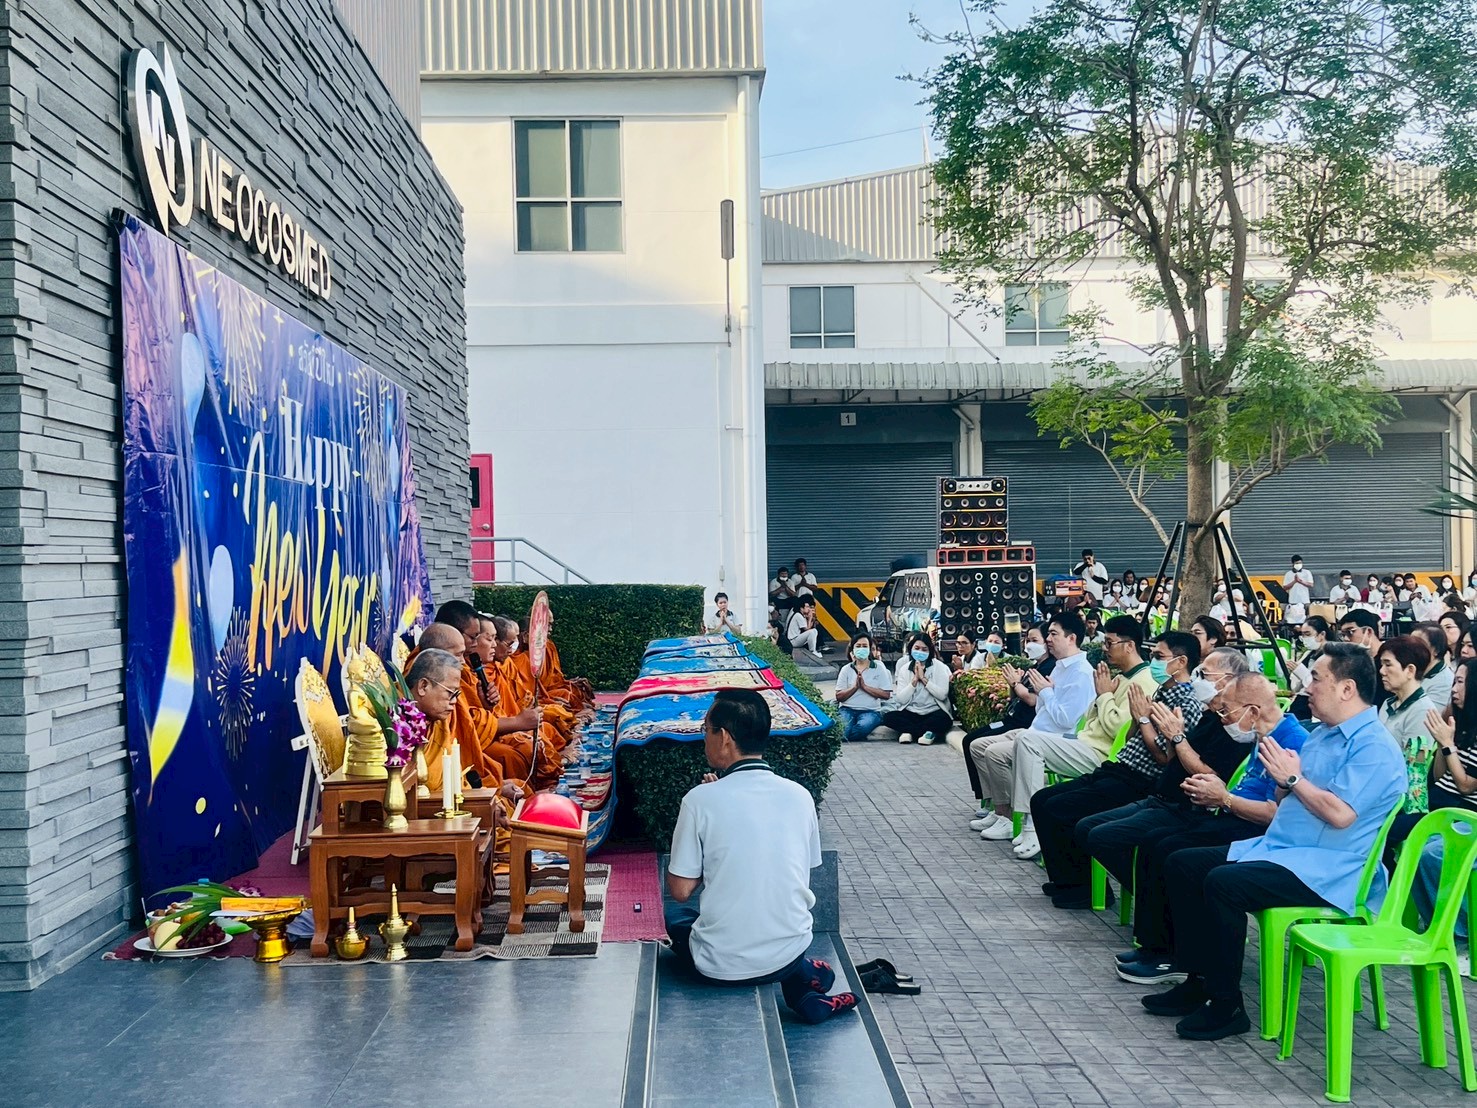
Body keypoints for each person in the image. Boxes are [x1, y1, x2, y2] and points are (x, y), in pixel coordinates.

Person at [1144, 644, 1405, 1040]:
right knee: (1184, 863)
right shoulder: (1322, 735)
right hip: (1284, 851)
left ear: (1346, 689)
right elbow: (1287, 800)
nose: (1307, 687)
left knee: (1223, 883)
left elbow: (1340, 815)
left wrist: (1293, 779)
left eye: (1316, 679)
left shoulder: (1374, 746)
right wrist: (1284, 782)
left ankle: (1226, 1005)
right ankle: (1199, 980)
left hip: (1329, 868)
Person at [665, 689, 858, 1024]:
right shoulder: (800, 796)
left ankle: (804, 982)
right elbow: (797, 868)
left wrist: (713, 852)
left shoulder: (699, 800)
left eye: (705, 729)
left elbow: (680, 890)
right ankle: (802, 985)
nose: (703, 737)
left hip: (720, 967)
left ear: (724, 737)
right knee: (773, 921)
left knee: (676, 917)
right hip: (790, 950)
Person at [1100, 670, 1304, 984]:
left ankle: (1180, 957)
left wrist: (1224, 798)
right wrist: (1217, 794)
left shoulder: (1292, 740)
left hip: (1258, 830)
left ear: (1252, 711)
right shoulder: (1262, 734)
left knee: (1176, 853)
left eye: (1227, 711)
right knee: (1156, 842)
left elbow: (1274, 814)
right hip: (1233, 815)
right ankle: (1157, 947)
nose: (1223, 719)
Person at [1031, 630, 1206, 907]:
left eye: (1159, 656)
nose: (1153, 661)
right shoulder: (1161, 691)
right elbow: (1129, 738)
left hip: (1141, 780)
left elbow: (1165, 758)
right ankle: (1067, 880)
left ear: (1181, 662)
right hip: (1119, 767)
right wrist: (1138, 719)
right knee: (1042, 800)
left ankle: (1085, 889)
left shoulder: (1187, 703)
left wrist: (1144, 719)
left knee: (1061, 808)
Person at [996, 615, 1161, 860]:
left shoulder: (1143, 681)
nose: (1104, 649)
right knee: (1022, 742)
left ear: (1129, 646)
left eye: (1110, 643)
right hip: (1082, 742)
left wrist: (1104, 696)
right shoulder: (1120, 677)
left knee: (1028, 742)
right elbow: (1089, 717)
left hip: (1102, 753)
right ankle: (1025, 821)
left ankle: (1031, 826)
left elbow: (1118, 728)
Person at [971, 612, 1096, 839]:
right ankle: (999, 809)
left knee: (995, 753)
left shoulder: (1081, 673)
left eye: (1053, 634)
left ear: (1071, 638)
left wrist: (1045, 692)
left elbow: (1065, 720)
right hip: (1036, 730)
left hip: (1053, 738)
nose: (1048, 639)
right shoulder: (1060, 667)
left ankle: (1017, 819)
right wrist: (1039, 692)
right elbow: (1041, 708)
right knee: (977, 745)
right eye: (1048, 634)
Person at [964, 624, 1055, 826]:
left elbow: (1032, 700)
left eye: (1035, 640)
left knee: (986, 748)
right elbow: (1014, 697)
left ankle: (1003, 810)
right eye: (1028, 640)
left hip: (1025, 724)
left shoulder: (1050, 668)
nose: (1029, 644)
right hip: (1011, 718)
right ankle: (990, 800)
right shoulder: (1034, 666)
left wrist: (1016, 683)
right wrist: (1012, 682)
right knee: (971, 741)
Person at [1376, 635, 1436, 848]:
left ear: (1410, 670)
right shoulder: (1388, 704)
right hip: (1380, 787)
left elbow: (1413, 771)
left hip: (1403, 803)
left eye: (1388, 664)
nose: (1381, 671)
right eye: (1381, 664)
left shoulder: (1422, 711)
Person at [1426, 659, 1477, 812]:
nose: (1454, 689)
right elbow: (1439, 777)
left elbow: (1465, 786)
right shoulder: (1461, 723)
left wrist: (1448, 744)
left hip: (1461, 812)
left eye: (1460, 682)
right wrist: (1441, 743)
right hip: (1440, 801)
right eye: (1454, 682)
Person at [883, 633, 953, 745]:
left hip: (933, 711)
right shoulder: (904, 669)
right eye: (917, 648)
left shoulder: (940, 667)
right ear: (911, 649)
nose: (920, 652)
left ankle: (909, 731)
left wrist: (924, 679)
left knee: (945, 720)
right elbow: (901, 699)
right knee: (888, 718)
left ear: (930, 651)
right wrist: (914, 681)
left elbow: (942, 695)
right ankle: (926, 732)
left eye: (924, 649)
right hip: (911, 712)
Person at [834, 633, 892, 743]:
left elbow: (886, 694)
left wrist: (865, 687)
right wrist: (855, 687)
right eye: (858, 646)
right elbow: (839, 696)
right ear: (853, 649)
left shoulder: (879, 668)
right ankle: (847, 735)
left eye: (865, 646)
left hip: (871, 711)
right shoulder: (846, 669)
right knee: (843, 731)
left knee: (863, 727)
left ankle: (849, 736)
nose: (861, 649)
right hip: (847, 709)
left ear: (870, 649)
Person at [1288, 615, 1335, 720]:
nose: (1305, 638)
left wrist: (1301, 672)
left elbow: (1324, 684)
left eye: (1308, 634)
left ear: (1322, 634)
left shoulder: (1330, 655)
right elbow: (1296, 685)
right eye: (1302, 635)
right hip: (1301, 701)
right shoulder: (1309, 653)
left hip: (1315, 703)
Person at [1413, 622, 1454, 710]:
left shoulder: (1444, 682)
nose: (1410, 648)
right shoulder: (1415, 670)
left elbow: (1428, 715)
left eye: (1418, 644)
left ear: (1436, 650)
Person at [786, 598, 821, 663]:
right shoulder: (798, 615)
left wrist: (812, 619)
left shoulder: (801, 615)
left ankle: (813, 650)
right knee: (813, 631)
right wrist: (810, 618)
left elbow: (809, 627)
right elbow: (807, 629)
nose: (809, 609)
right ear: (801, 608)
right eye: (807, 607)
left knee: (813, 631)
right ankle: (812, 651)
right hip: (793, 641)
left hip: (795, 639)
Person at [1282, 555, 1314, 626]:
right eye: (1297, 563)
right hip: (1293, 601)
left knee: (1306, 621)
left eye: (1300, 563)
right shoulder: (1288, 574)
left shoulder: (1307, 572)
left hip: (1305, 601)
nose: (1299, 565)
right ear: (1293, 564)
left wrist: (1300, 581)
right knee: (1293, 621)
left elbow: (1311, 584)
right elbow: (1285, 587)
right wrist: (1294, 581)